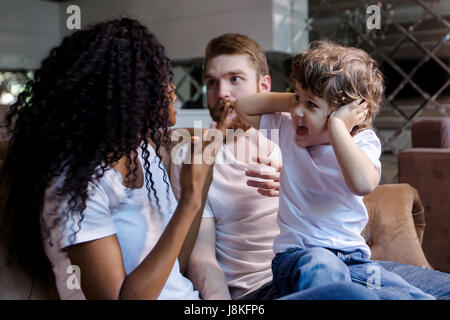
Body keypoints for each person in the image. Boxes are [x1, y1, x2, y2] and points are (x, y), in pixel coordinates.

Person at [0, 18, 232, 300]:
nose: (172, 91)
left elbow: (175, 267)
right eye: (162, 79)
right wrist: (190, 201)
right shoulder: (75, 185)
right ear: (132, 91)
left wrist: (202, 182)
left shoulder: (145, 156)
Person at [170, 34, 382, 300]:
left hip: (346, 266)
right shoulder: (195, 156)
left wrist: (310, 97)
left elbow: (351, 189)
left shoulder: (300, 130)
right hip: (266, 288)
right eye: (211, 82)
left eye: (235, 79)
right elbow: (201, 256)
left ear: (264, 85)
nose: (222, 92)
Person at [234, 40, 434, 300]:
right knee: (324, 270)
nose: (297, 111)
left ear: (350, 116)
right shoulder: (287, 130)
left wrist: (338, 126)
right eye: (297, 98)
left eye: (312, 105)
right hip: (299, 258)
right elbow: (243, 106)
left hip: (355, 262)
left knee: (409, 295)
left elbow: (362, 183)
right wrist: (304, 98)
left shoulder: (362, 142)